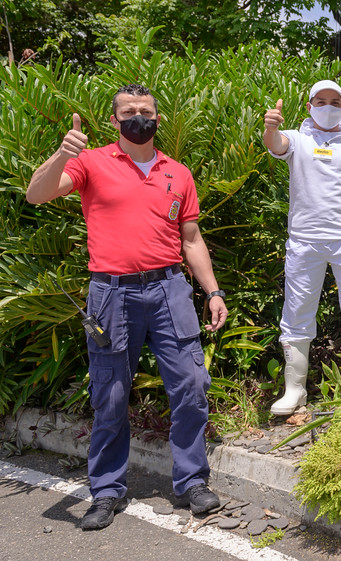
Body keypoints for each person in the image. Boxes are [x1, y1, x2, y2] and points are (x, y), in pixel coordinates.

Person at [25, 84, 228, 530]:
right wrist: (61, 153)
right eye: (129, 111)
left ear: (158, 118)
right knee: (110, 395)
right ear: (114, 121)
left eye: (147, 111)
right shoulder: (90, 162)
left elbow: (191, 239)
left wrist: (212, 291)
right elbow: (35, 194)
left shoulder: (179, 173)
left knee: (192, 386)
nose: (140, 117)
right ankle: (106, 491)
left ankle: (192, 481)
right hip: (111, 294)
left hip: (170, 289)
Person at [262, 80, 341, 414]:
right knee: (297, 311)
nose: (327, 106)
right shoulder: (298, 139)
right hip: (304, 240)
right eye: (320, 100)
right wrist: (270, 128)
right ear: (309, 105)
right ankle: (295, 389)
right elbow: (276, 144)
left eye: (334, 101)